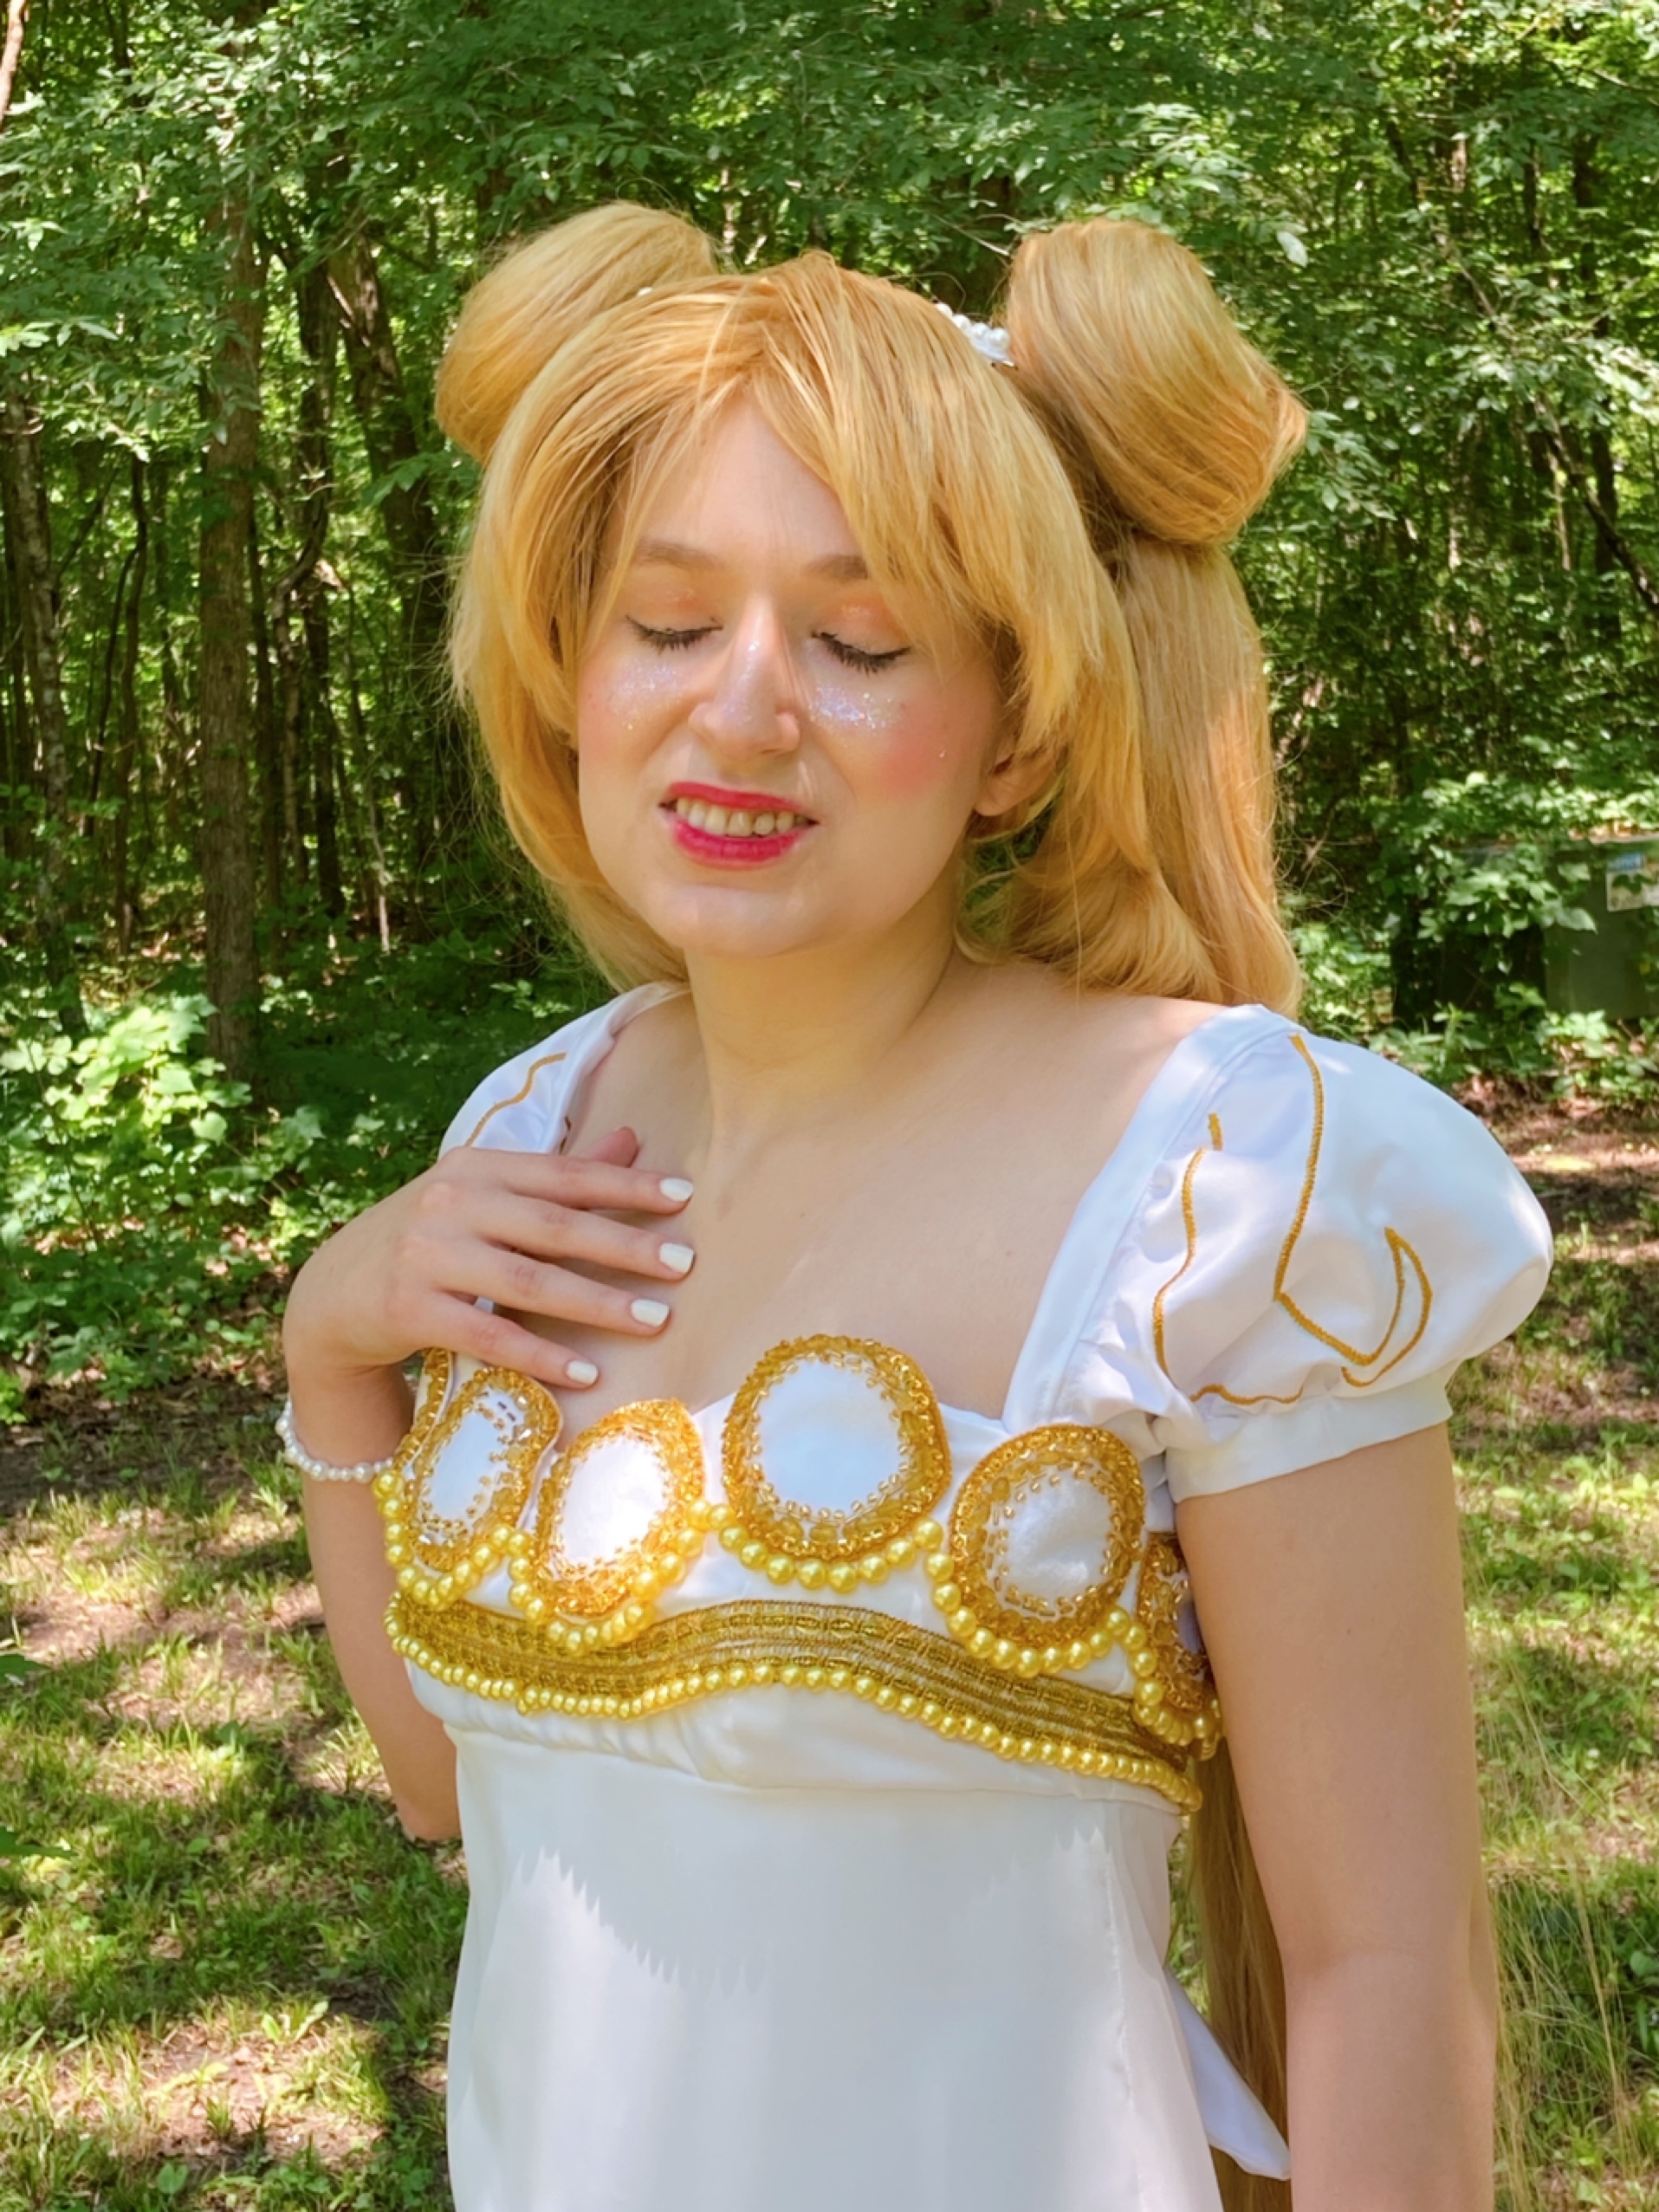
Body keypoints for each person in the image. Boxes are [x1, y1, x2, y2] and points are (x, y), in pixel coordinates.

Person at [282, 203, 1553, 2212]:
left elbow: (1378, 1963)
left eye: (860, 642)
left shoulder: (1215, 1172)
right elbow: (450, 1781)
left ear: (1016, 729)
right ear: (566, 669)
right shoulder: (536, 1120)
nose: (742, 707)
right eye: (666, 622)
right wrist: (331, 1351)